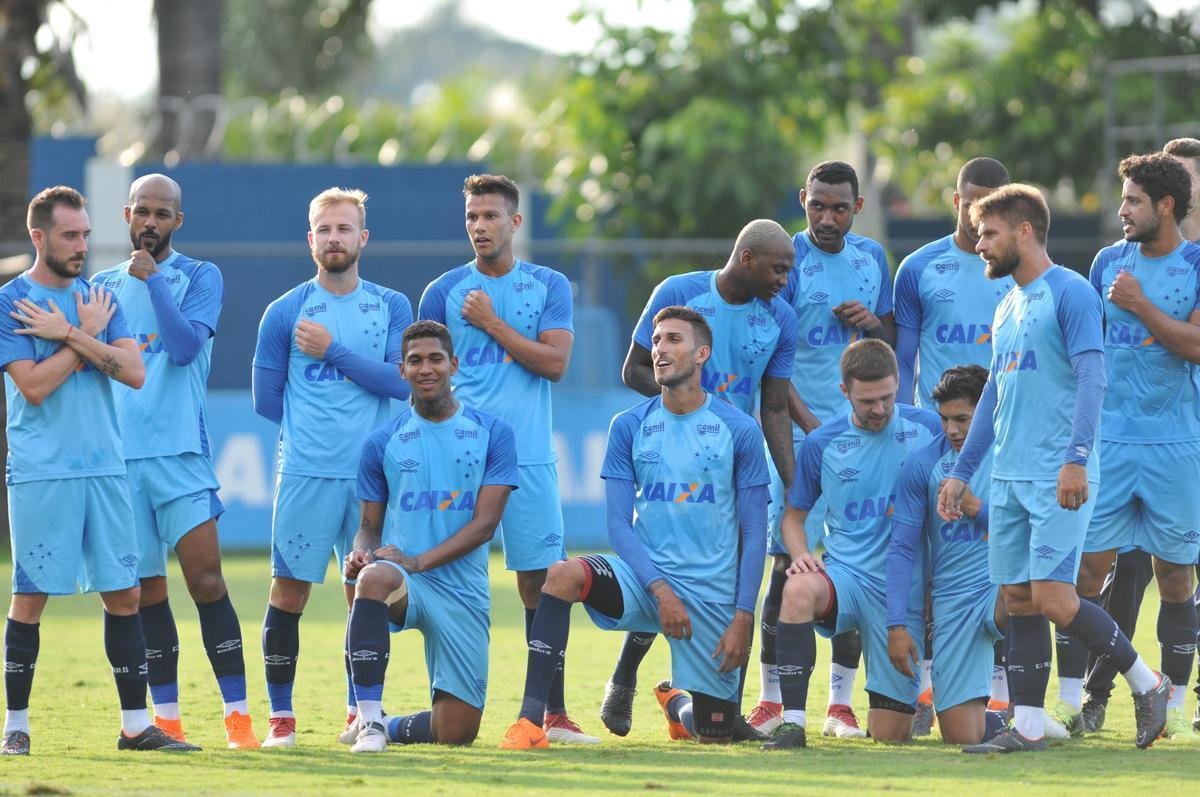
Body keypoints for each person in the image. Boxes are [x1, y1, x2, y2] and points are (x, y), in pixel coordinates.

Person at [939, 183, 1170, 753]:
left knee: (1054, 599)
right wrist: (964, 470)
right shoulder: (1008, 303)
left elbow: (1094, 379)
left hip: (1058, 476)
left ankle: (1149, 682)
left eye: (989, 234)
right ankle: (1027, 727)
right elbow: (994, 395)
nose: (981, 245)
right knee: (1017, 599)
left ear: (1023, 231)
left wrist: (1076, 459)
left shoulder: (1069, 292)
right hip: (1011, 477)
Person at [499, 306, 768, 749]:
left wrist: (743, 617)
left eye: (673, 340)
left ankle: (675, 704)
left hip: (711, 593)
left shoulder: (738, 430)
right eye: (657, 340)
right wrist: (661, 590)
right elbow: (618, 527)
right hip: (643, 581)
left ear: (703, 353)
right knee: (561, 574)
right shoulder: (628, 426)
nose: (660, 349)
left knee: (717, 734)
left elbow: (756, 534)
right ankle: (532, 721)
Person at [0, 186, 194, 753]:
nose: (82, 244)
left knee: (124, 594)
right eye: (69, 235)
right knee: (30, 595)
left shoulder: (97, 300)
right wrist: (81, 341)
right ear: (39, 237)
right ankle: (16, 726)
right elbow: (32, 389)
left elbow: (134, 372)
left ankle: (135, 727)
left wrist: (69, 334)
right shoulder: (13, 301)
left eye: (86, 234)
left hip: (107, 468)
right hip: (43, 470)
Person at [600, 219, 799, 739]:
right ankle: (623, 677)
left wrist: (797, 483)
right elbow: (635, 370)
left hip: (740, 459)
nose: (786, 279)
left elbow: (774, 406)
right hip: (682, 448)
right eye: (779, 268)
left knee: (737, 569)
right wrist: (688, 416)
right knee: (667, 560)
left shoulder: (781, 318)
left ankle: (708, 705)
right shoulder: (680, 291)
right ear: (749, 259)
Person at [419, 174, 594, 743]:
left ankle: (552, 714)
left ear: (514, 223)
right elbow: (425, 380)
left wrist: (491, 323)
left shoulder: (548, 285)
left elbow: (555, 363)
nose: (479, 227)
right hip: (457, 464)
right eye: (472, 217)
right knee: (446, 580)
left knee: (540, 584)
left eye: (490, 216)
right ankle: (445, 707)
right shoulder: (443, 290)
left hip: (527, 459)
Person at [91, 174, 258, 749]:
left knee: (207, 581)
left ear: (177, 221)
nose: (151, 222)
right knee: (145, 592)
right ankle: (167, 719)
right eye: (142, 211)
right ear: (127, 214)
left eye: (163, 214)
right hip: (120, 462)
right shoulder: (100, 287)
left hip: (180, 454)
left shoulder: (199, 276)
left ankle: (237, 716)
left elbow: (185, 348)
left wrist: (156, 279)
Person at [252, 187, 413, 747]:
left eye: (345, 229)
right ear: (310, 238)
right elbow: (265, 400)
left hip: (369, 480)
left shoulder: (391, 305)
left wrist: (333, 354)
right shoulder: (285, 311)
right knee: (288, 592)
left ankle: (361, 713)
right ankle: (281, 719)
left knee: (363, 590)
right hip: (304, 474)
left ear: (362, 237)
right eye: (324, 229)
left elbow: (400, 382)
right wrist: (313, 432)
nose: (334, 238)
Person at [1051, 153, 1200, 740]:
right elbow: (1085, 350)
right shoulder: (1107, 261)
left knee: (1175, 578)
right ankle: (1076, 702)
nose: (1123, 210)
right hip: (1109, 444)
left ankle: (1182, 709)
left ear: (1165, 206)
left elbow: (1196, 346)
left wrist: (1140, 304)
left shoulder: (1195, 263)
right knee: (1086, 572)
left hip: (1175, 445)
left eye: (1134, 200)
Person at [752, 161, 894, 741]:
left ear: (857, 207)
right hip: (795, 436)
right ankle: (769, 698)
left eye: (839, 208)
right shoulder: (788, 262)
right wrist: (813, 427)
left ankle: (840, 703)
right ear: (802, 200)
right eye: (818, 206)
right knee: (787, 565)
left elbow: (885, 342)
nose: (827, 218)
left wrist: (870, 324)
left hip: (860, 441)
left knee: (854, 568)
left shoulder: (871, 260)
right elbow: (771, 361)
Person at [342, 320, 517, 752]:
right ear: (401, 370)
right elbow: (368, 528)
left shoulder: (494, 433)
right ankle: (367, 721)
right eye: (415, 361)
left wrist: (419, 560)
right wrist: (361, 555)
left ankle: (391, 725)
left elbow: (485, 524)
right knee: (372, 579)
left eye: (435, 359)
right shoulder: (382, 442)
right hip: (406, 583)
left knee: (456, 733)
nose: (426, 368)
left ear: (453, 364)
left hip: (462, 592)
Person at [761, 339, 941, 750]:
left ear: (899, 383)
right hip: (847, 579)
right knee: (798, 588)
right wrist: (802, 554)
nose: (879, 409)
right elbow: (793, 517)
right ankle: (792, 723)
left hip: (905, 590)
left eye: (887, 397)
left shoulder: (928, 429)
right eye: (867, 401)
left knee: (891, 736)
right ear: (845, 392)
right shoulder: (823, 444)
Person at [891, 156, 1013, 732]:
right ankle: (922, 687)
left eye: (990, 202)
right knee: (928, 562)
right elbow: (907, 359)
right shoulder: (918, 267)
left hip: (1005, 436)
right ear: (956, 198)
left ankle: (1012, 697)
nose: (976, 211)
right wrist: (918, 428)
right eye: (970, 199)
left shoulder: (1018, 271)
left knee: (1007, 556)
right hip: (943, 435)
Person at [885, 364, 1007, 744]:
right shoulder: (923, 465)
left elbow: (1038, 531)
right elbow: (903, 547)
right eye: (945, 419)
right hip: (954, 601)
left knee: (1038, 592)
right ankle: (1011, 723)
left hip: (1004, 585)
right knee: (962, 738)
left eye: (962, 419)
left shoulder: (1013, 452)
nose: (952, 429)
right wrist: (896, 625)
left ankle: (1039, 711)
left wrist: (977, 509)